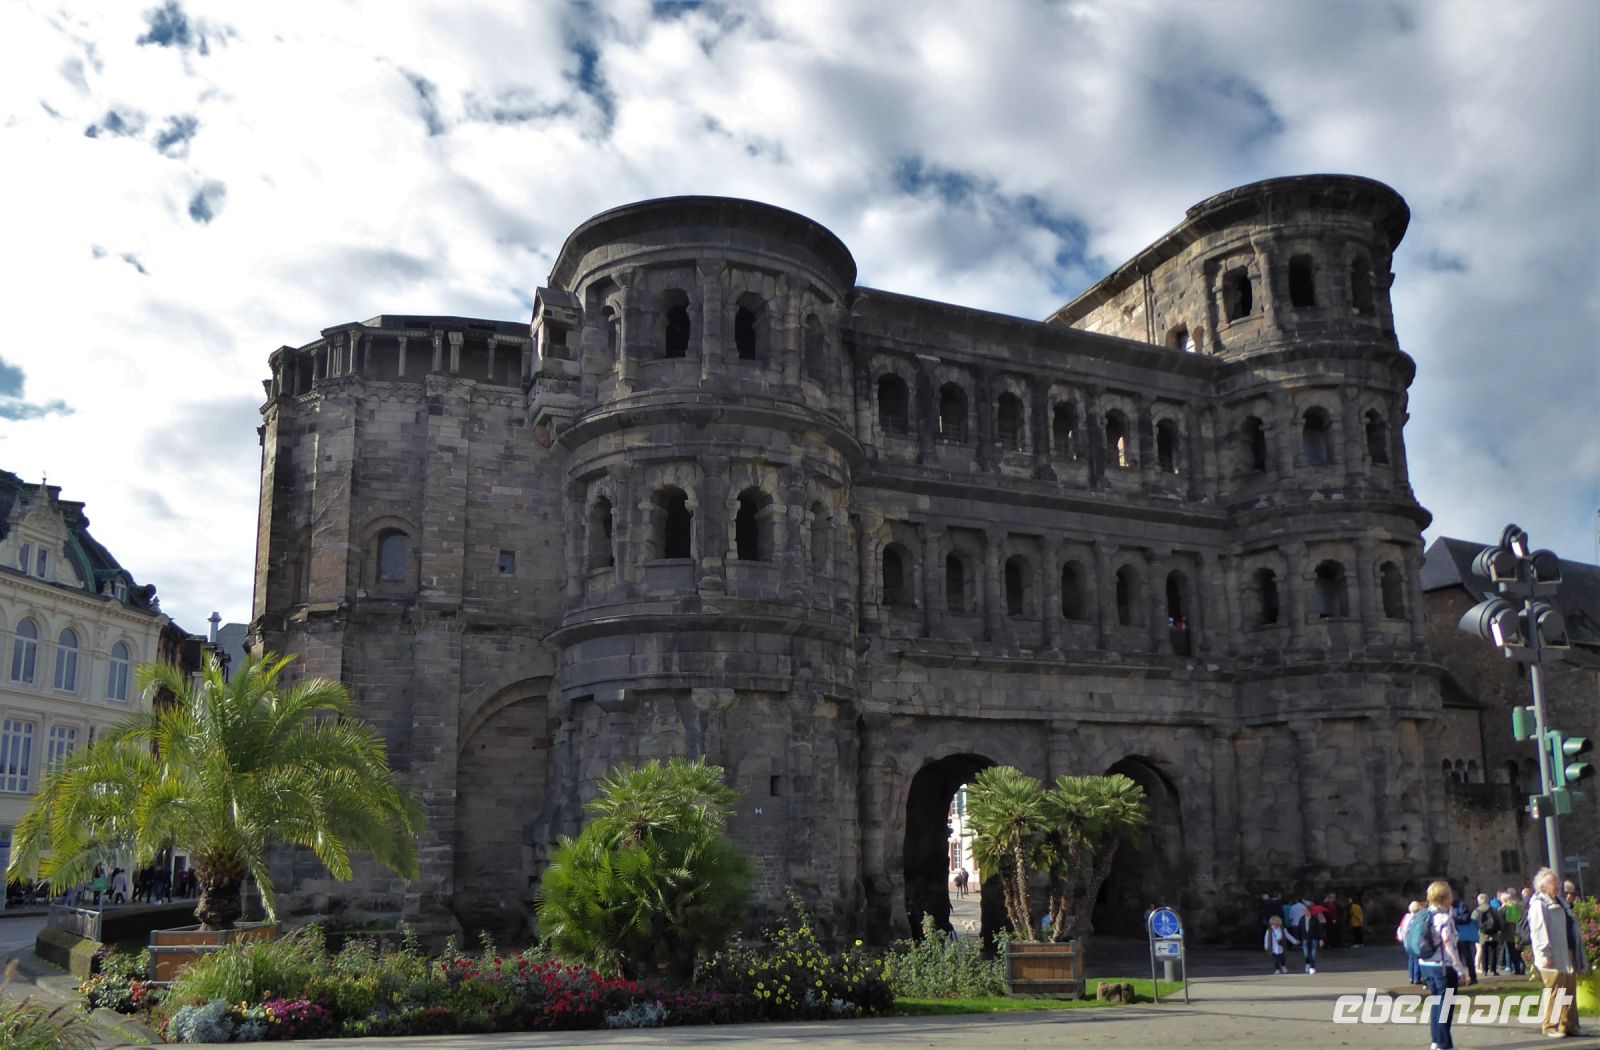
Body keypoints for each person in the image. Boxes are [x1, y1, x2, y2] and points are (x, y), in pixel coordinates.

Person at [1528, 867, 1585, 1038]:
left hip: (1566, 951)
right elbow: (1539, 931)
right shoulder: (1539, 904)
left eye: (1557, 882)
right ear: (1543, 886)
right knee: (1555, 990)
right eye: (1554, 883)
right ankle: (1550, 1026)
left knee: (1569, 989)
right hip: (1551, 954)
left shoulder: (1560, 901)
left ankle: (1569, 1025)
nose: (1558, 885)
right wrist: (1545, 954)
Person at [1416, 880, 1467, 1050]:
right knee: (1446, 1007)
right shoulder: (1444, 918)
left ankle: (1436, 1040)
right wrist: (1460, 969)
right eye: (1450, 895)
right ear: (1444, 898)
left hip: (1425, 964)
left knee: (1437, 1003)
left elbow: (1402, 935)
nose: (1452, 898)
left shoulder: (1422, 915)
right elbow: (1449, 945)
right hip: (1443, 966)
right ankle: (1444, 1044)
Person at [1473, 892, 1501, 977]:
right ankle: (1493, 970)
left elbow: (1473, 922)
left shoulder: (1477, 911)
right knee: (1493, 951)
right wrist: (1499, 929)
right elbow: (1499, 920)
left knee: (1484, 952)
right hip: (1494, 933)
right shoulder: (1494, 909)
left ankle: (1484, 970)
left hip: (1482, 933)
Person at [1453, 894, 1478, 985]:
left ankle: (1473, 977)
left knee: (1468, 957)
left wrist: (1454, 919)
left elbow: (1466, 918)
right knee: (1455, 958)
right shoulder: (1445, 907)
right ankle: (1458, 978)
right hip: (1452, 936)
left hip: (1462, 935)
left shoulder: (1461, 906)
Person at [1501, 889, 1527, 975]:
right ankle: (1522, 967)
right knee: (1518, 951)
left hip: (1509, 929)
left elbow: (1501, 918)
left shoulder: (1506, 907)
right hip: (1519, 928)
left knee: (1512, 951)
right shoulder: (1519, 906)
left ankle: (1516, 969)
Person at [1398, 900, 1424, 985]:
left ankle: (1411, 977)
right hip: (1414, 941)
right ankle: (1417, 978)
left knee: (1411, 959)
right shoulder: (1417, 918)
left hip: (1406, 941)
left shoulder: (1406, 917)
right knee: (1417, 959)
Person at [1301, 900, 1324, 974]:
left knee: (1313, 954)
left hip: (1313, 938)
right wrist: (1297, 938)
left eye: (1304, 910)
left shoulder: (1315, 919)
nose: (1303, 911)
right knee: (1306, 953)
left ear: (1309, 910)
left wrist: (1321, 939)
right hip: (1305, 938)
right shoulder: (1302, 919)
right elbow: (1299, 928)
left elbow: (1319, 930)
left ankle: (1312, 967)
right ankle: (1307, 963)